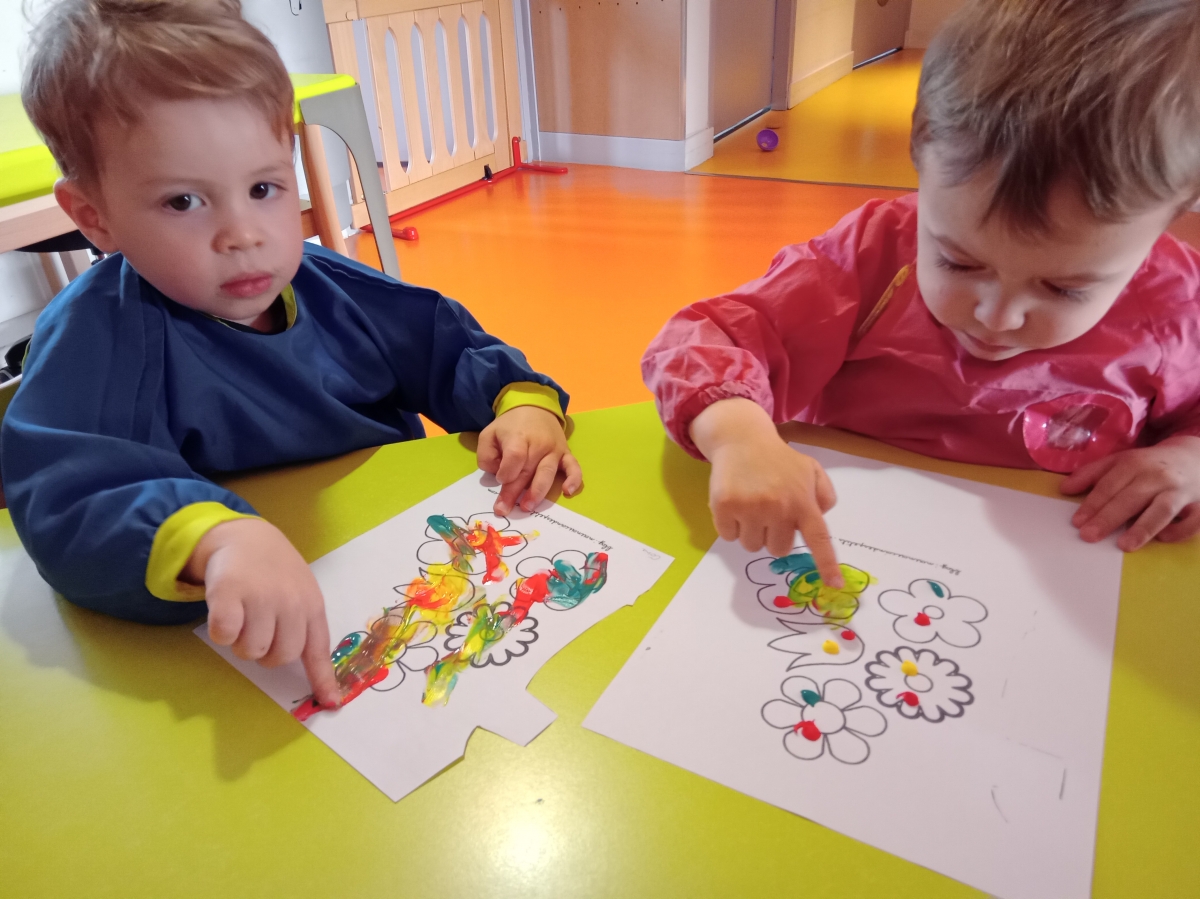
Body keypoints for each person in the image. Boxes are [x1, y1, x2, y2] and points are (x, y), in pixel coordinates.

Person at [4, 0, 582, 708]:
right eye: (183, 202)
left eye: (263, 188)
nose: (243, 234)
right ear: (94, 217)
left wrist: (521, 406)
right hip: (231, 647)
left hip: (409, 569)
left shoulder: (338, 289)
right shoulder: (97, 337)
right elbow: (71, 497)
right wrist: (213, 542)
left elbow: (449, 348)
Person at [642, 0, 1200, 589]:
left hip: (1058, 582)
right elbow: (702, 339)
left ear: (1174, 215)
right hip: (847, 549)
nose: (997, 316)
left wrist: (1189, 458)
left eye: (1066, 288)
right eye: (958, 262)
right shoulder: (872, 254)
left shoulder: (1175, 304)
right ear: (918, 161)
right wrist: (739, 437)